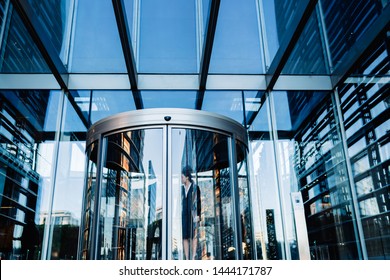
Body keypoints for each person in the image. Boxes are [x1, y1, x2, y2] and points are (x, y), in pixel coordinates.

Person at [181, 165, 201, 260]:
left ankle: (193, 257)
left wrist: (198, 215)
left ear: (187, 177)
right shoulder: (181, 189)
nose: (181, 179)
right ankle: (187, 257)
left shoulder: (195, 188)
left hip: (192, 215)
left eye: (182, 177)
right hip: (184, 215)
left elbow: (198, 202)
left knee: (193, 235)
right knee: (184, 236)